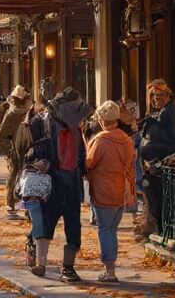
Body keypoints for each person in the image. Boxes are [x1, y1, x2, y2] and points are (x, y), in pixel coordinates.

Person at [26, 87, 93, 283]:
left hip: (71, 180)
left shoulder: (77, 126)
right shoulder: (40, 121)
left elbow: (81, 153)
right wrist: (37, 161)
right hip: (50, 181)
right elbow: (27, 150)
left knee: (73, 226)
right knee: (46, 223)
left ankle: (68, 268)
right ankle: (41, 264)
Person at [86, 100, 136, 283]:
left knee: (105, 229)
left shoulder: (101, 140)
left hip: (103, 189)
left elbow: (89, 163)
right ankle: (111, 267)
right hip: (121, 189)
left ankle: (110, 270)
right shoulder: (126, 139)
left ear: (101, 120)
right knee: (112, 229)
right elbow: (130, 161)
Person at [138, 79, 175, 236]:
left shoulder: (169, 113)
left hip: (160, 168)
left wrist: (149, 154)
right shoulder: (162, 113)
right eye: (153, 96)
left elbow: (173, 144)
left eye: (159, 96)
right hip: (154, 167)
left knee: (159, 203)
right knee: (155, 202)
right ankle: (157, 231)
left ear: (168, 96)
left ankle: (162, 233)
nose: (155, 99)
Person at [0, 85, 34, 219]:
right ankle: (10, 206)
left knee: (28, 178)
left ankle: (27, 207)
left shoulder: (29, 111)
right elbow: (1, 137)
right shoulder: (11, 113)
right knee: (13, 176)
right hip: (14, 151)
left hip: (28, 150)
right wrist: (11, 151)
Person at [16, 158, 53, 274]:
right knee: (39, 224)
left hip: (51, 190)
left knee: (43, 224)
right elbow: (29, 157)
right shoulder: (40, 145)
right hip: (34, 191)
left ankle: (32, 248)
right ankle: (34, 255)